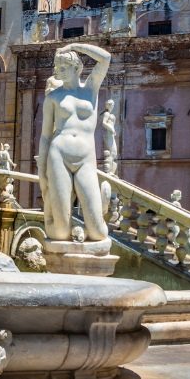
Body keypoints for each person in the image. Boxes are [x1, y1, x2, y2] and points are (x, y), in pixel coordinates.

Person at [38, 42, 111, 242]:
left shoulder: (90, 89)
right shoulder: (53, 97)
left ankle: (101, 206)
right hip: (58, 154)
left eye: (63, 68)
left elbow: (105, 58)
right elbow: (45, 136)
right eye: (57, 68)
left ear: (77, 67)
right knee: (60, 234)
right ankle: (51, 212)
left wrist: (75, 45)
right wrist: (41, 171)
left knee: (98, 233)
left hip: (86, 158)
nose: (59, 72)